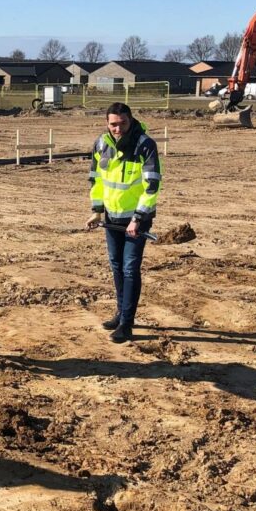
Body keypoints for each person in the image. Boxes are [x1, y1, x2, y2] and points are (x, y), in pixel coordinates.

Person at [86, 102, 161, 343]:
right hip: (111, 217)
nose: (118, 129)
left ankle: (127, 324)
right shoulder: (101, 144)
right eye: (113, 124)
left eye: (123, 123)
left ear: (131, 120)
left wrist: (138, 218)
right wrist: (97, 210)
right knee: (116, 266)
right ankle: (120, 314)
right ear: (107, 124)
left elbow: (151, 186)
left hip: (136, 221)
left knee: (130, 269)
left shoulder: (145, 145)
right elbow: (96, 180)